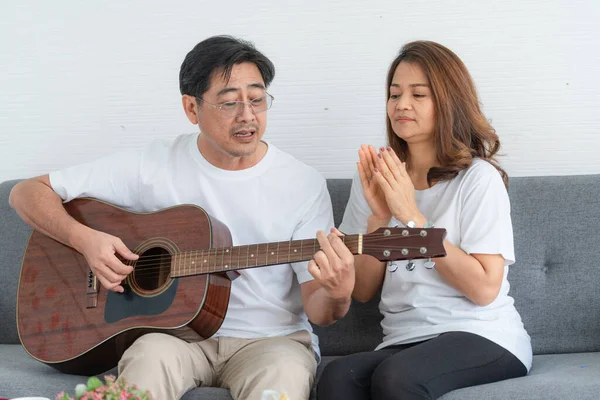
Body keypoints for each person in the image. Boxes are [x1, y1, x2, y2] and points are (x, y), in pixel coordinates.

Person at [9, 35, 355, 400]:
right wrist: (86, 240)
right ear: (192, 108)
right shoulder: (153, 164)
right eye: (228, 103)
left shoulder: (302, 183)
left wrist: (338, 293)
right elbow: (26, 193)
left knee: (283, 374)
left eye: (256, 99)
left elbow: (321, 310)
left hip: (271, 342)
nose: (247, 116)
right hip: (172, 340)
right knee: (147, 358)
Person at [317, 40, 532, 400]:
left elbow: (483, 289)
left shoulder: (478, 179)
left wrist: (412, 217)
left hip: (483, 334)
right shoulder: (377, 177)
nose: (401, 105)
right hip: (405, 340)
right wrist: (380, 219)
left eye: (418, 94)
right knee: (338, 377)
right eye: (394, 94)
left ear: (449, 102)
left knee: (397, 378)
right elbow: (364, 290)